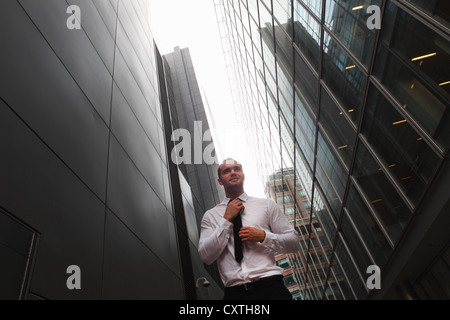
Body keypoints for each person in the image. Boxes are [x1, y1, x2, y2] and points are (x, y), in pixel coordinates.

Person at [198, 158, 300, 300]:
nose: (233, 172)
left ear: (243, 175)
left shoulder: (266, 205)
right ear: (220, 181)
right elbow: (205, 256)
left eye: (237, 169)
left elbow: (294, 243)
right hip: (235, 294)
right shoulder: (210, 216)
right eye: (227, 171)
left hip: (272, 288)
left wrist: (264, 236)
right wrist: (226, 219)